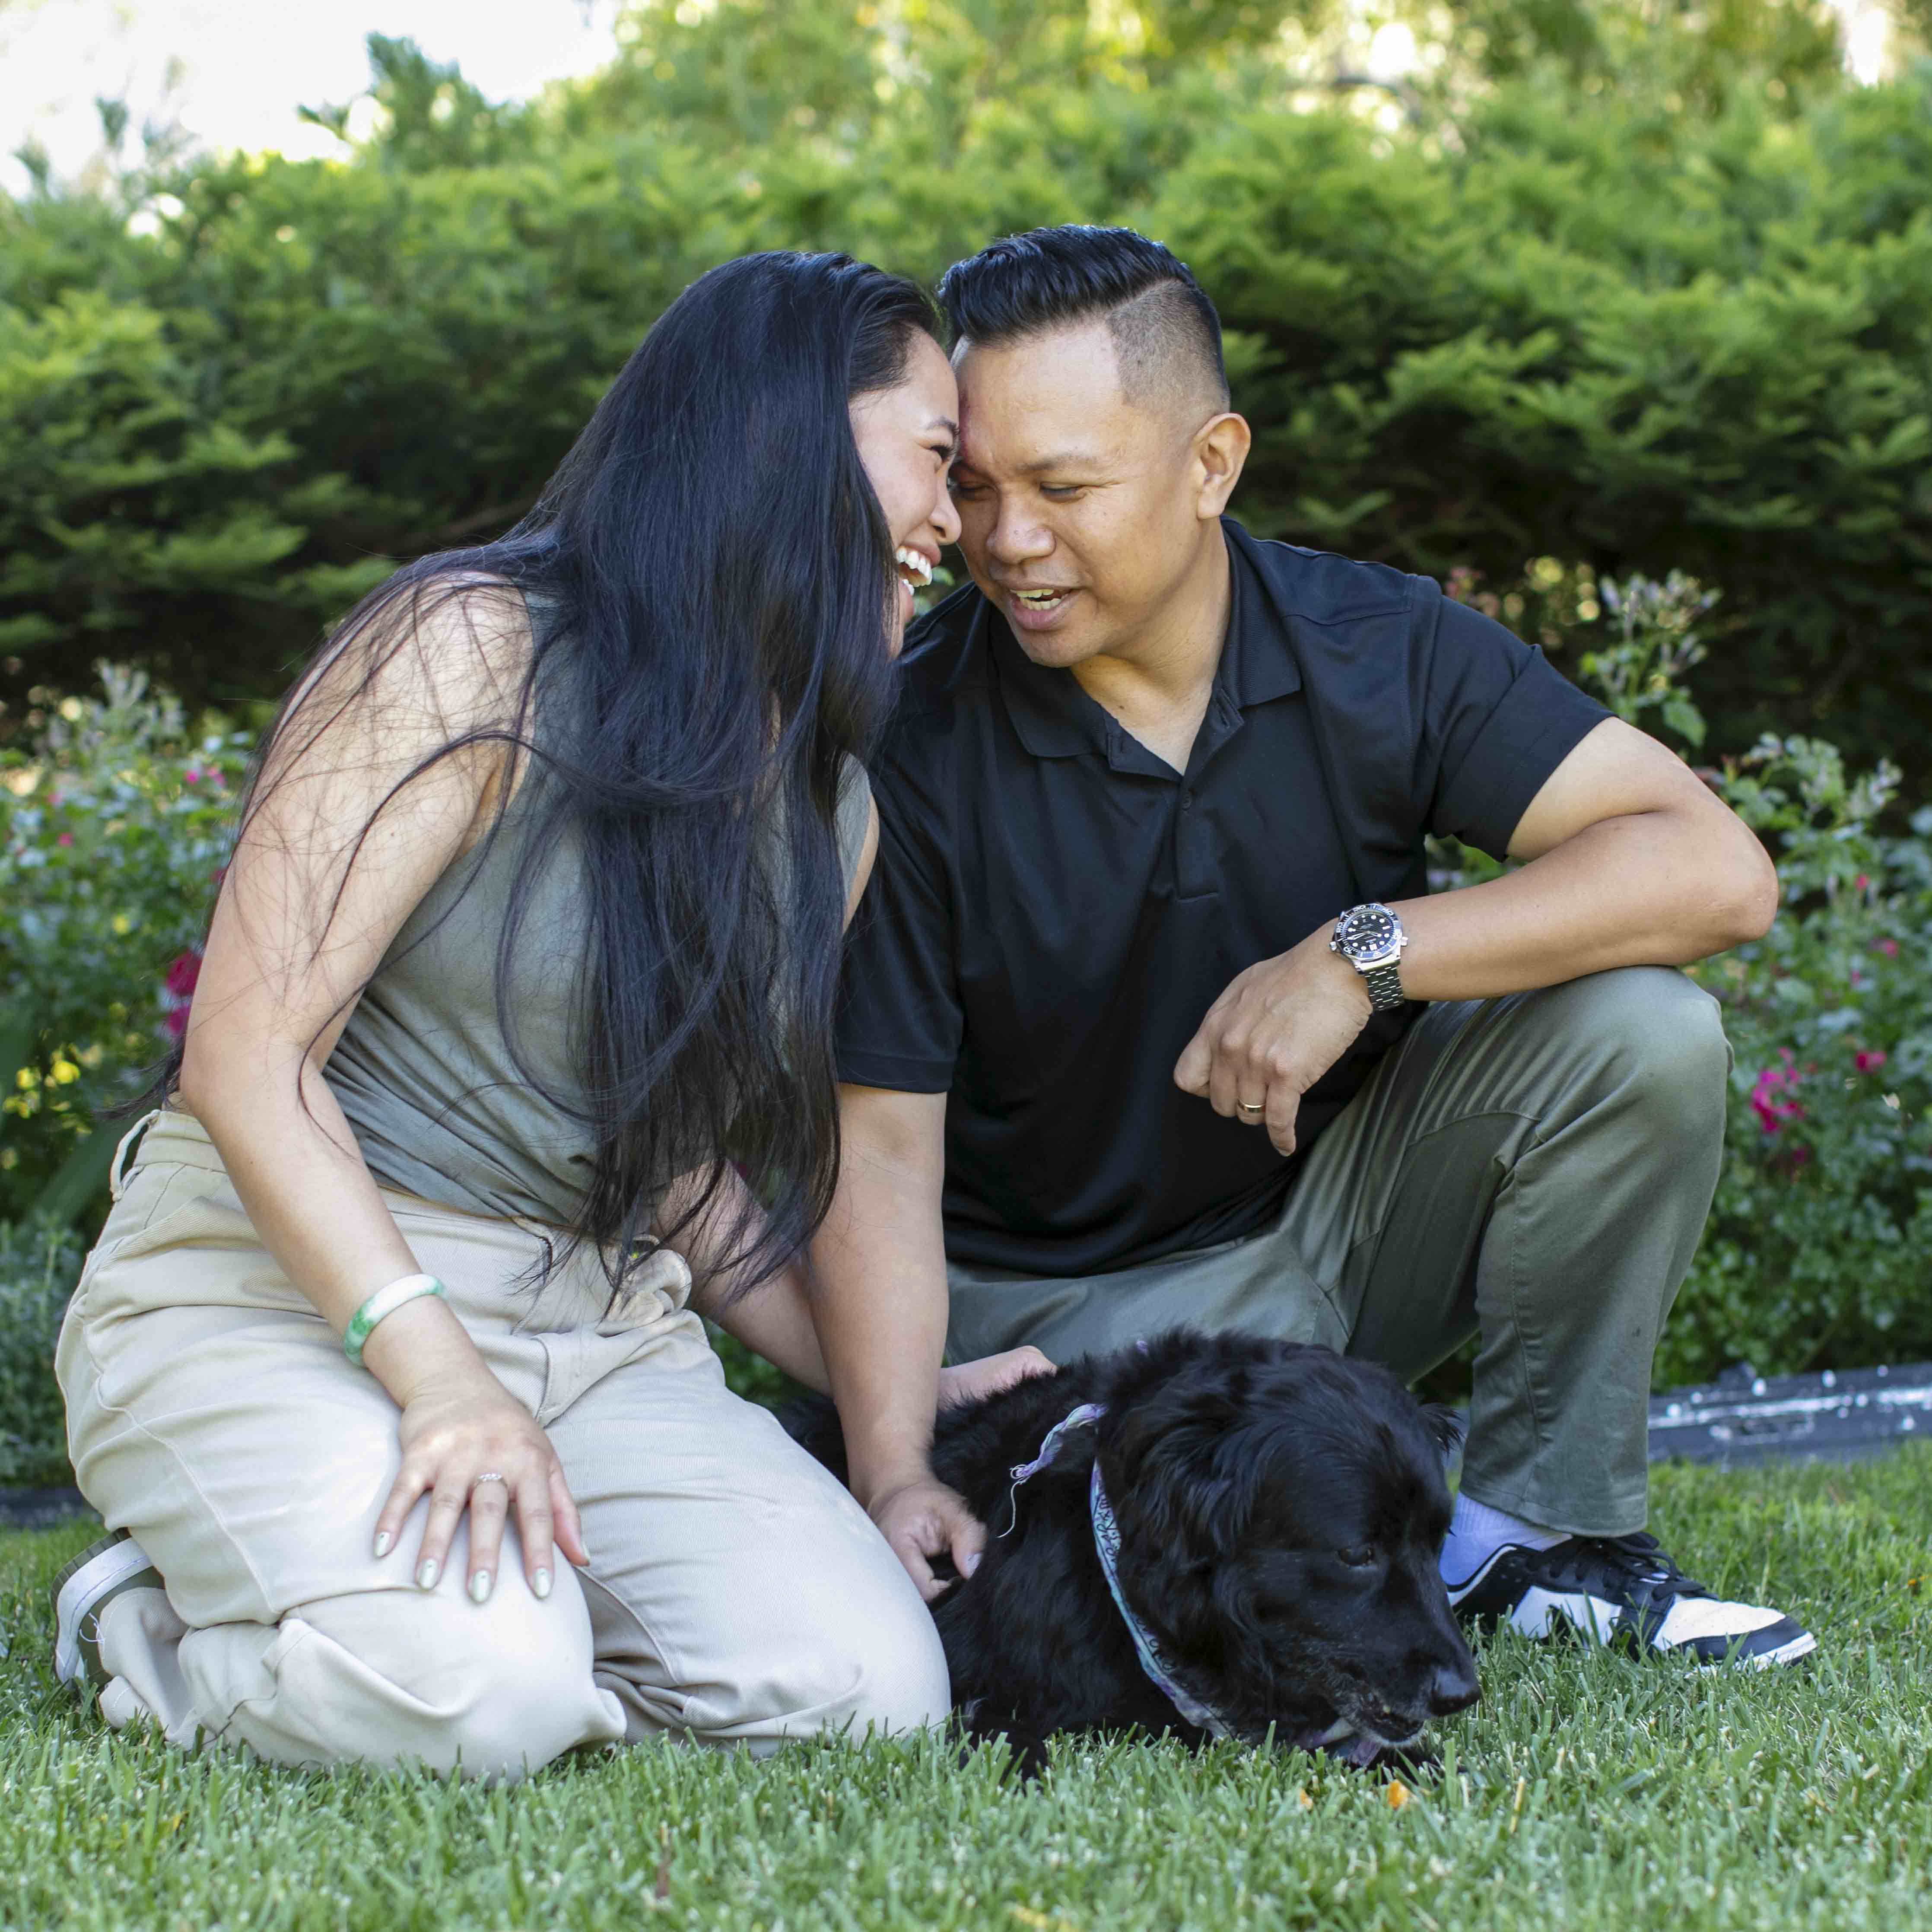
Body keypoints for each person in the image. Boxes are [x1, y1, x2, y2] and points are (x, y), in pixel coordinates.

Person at [51, 251, 1040, 1780]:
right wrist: (438, 1373)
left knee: (864, 1698)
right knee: (484, 1700)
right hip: (286, 1290)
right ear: (788, 433)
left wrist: (886, 1392)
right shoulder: (470, 650)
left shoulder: (828, 807)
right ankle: (160, 1625)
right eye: (936, 459)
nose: (958, 525)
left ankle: (459, 1605)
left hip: (597, 1326)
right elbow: (248, 1058)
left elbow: (682, 1178)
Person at [812, 225, 1815, 1668]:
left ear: (1211, 464)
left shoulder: (1378, 644)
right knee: (1214, 1418)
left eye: (1064, 486)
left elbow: (1713, 869)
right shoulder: (909, 741)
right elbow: (880, 1151)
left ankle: (1540, 1542)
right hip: (1067, 1306)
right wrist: (897, 1456)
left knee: (1642, 1035)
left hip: (1342, 1210)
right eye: (974, 485)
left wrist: (1362, 955)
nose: (1006, 539)